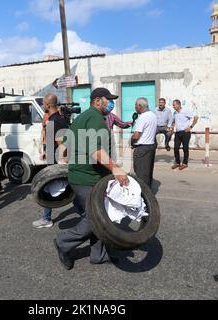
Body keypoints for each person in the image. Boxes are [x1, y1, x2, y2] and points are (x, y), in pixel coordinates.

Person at [53, 88, 129, 270]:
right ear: (97, 101)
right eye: (108, 99)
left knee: (99, 214)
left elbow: (63, 143)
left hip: (82, 176)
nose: (111, 103)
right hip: (88, 178)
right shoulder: (96, 118)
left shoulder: (82, 117)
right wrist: (116, 169)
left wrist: (68, 159)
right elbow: (96, 151)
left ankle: (98, 254)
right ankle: (63, 243)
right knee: (95, 218)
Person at [33, 93, 69, 229]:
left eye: (43, 103)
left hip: (56, 164)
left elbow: (61, 144)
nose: (43, 105)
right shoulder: (59, 120)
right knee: (62, 189)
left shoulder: (54, 122)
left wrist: (60, 162)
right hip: (56, 161)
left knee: (48, 190)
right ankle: (46, 217)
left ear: (48, 105)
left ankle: (46, 219)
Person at [131, 98, 158, 188]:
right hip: (151, 146)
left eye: (135, 105)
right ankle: (148, 192)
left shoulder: (143, 117)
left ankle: (144, 195)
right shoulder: (153, 115)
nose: (135, 107)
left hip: (142, 148)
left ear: (139, 106)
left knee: (141, 174)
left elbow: (136, 135)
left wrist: (131, 141)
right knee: (148, 172)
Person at [172, 100, 199, 171]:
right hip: (177, 133)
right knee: (176, 148)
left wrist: (191, 127)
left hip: (185, 133)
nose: (173, 106)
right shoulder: (175, 113)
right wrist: (172, 128)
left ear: (178, 105)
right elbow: (174, 122)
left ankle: (185, 163)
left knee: (185, 148)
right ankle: (177, 162)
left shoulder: (186, 111)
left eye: (174, 105)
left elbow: (196, 117)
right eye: (173, 105)